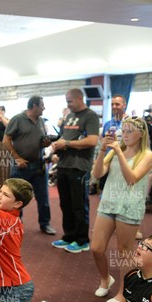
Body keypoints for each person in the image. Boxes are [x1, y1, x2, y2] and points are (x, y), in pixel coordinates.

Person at [91, 117, 152, 302]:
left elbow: (132, 178)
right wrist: (103, 150)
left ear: (141, 134)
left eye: (129, 131)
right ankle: (105, 279)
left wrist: (118, 152)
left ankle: (123, 293)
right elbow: (97, 174)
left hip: (129, 205)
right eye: (123, 131)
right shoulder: (115, 152)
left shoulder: (147, 155)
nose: (125, 135)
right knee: (96, 248)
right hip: (108, 203)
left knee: (124, 252)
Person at [51, 88, 100, 253]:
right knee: (65, 203)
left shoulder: (90, 116)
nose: (68, 104)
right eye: (66, 101)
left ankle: (82, 240)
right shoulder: (69, 116)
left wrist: (67, 144)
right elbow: (64, 138)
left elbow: (93, 140)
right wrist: (57, 148)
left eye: (70, 101)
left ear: (80, 98)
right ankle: (69, 236)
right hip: (64, 165)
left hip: (79, 167)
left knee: (79, 205)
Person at [3, 95, 56, 235]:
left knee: (43, 197)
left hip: (38, 165)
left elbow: (40, 140)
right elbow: (6, 140)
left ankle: (45, 224)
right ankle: (14, 223)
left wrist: (46, 143)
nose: (44, 108)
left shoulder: (40, 121)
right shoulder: (18, 119)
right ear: (34, 106)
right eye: (42, 105)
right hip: (21, 167)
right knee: (17, 197)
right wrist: (17, 158)